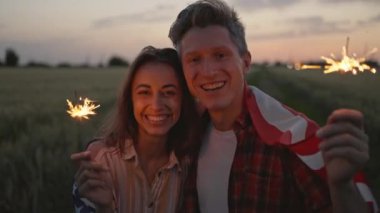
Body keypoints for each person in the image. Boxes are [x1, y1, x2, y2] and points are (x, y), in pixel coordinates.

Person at [168, 0, 378, 212]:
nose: (209, 71)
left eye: (220, 55)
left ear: (246, 62)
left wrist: (342, 186)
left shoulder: (292, 140)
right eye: (194, 59)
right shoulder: (181, 138)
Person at [71, 46, 199, 213]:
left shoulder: (192, 164)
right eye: (144, 92)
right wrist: (106, 208)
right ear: (130, 100)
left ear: (183, 99)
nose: (156, 105)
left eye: (169, 92)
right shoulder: (99, 161)